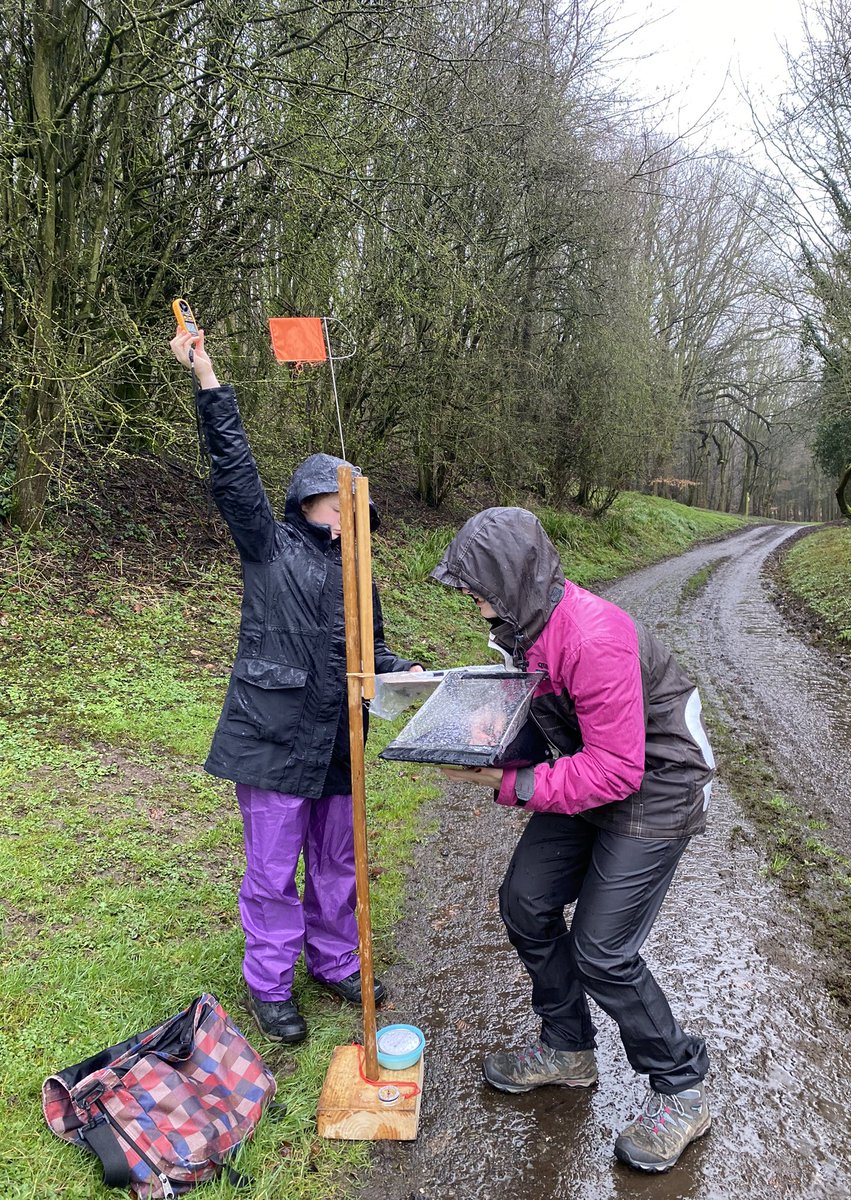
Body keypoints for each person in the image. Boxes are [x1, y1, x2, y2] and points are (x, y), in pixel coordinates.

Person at [431, 506, 715, 1174]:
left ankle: (681, 1088)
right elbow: (548, 719)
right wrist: (481, 735)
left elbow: (618, 771)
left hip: (658, 785)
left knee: (602, 951)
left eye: (477, 586)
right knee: (525, 902)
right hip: (596, 768)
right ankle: (567, 1048)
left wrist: (509, 783)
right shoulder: (523, 627)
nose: (470, 599)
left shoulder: (592, 635)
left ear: (512, 579)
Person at [169, 327, 422, 1045]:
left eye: (358, 513)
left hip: (340, 740)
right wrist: (207, 377)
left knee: (338, 864)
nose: (351, 521)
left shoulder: (360, 577)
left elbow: (373, 649)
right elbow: (233, 473)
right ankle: (270, 985)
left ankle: (334, 961)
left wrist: (401, 670)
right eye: (341, 507)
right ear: (310, 501)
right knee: (274, 873)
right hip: (274, 740)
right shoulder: (268, 545)